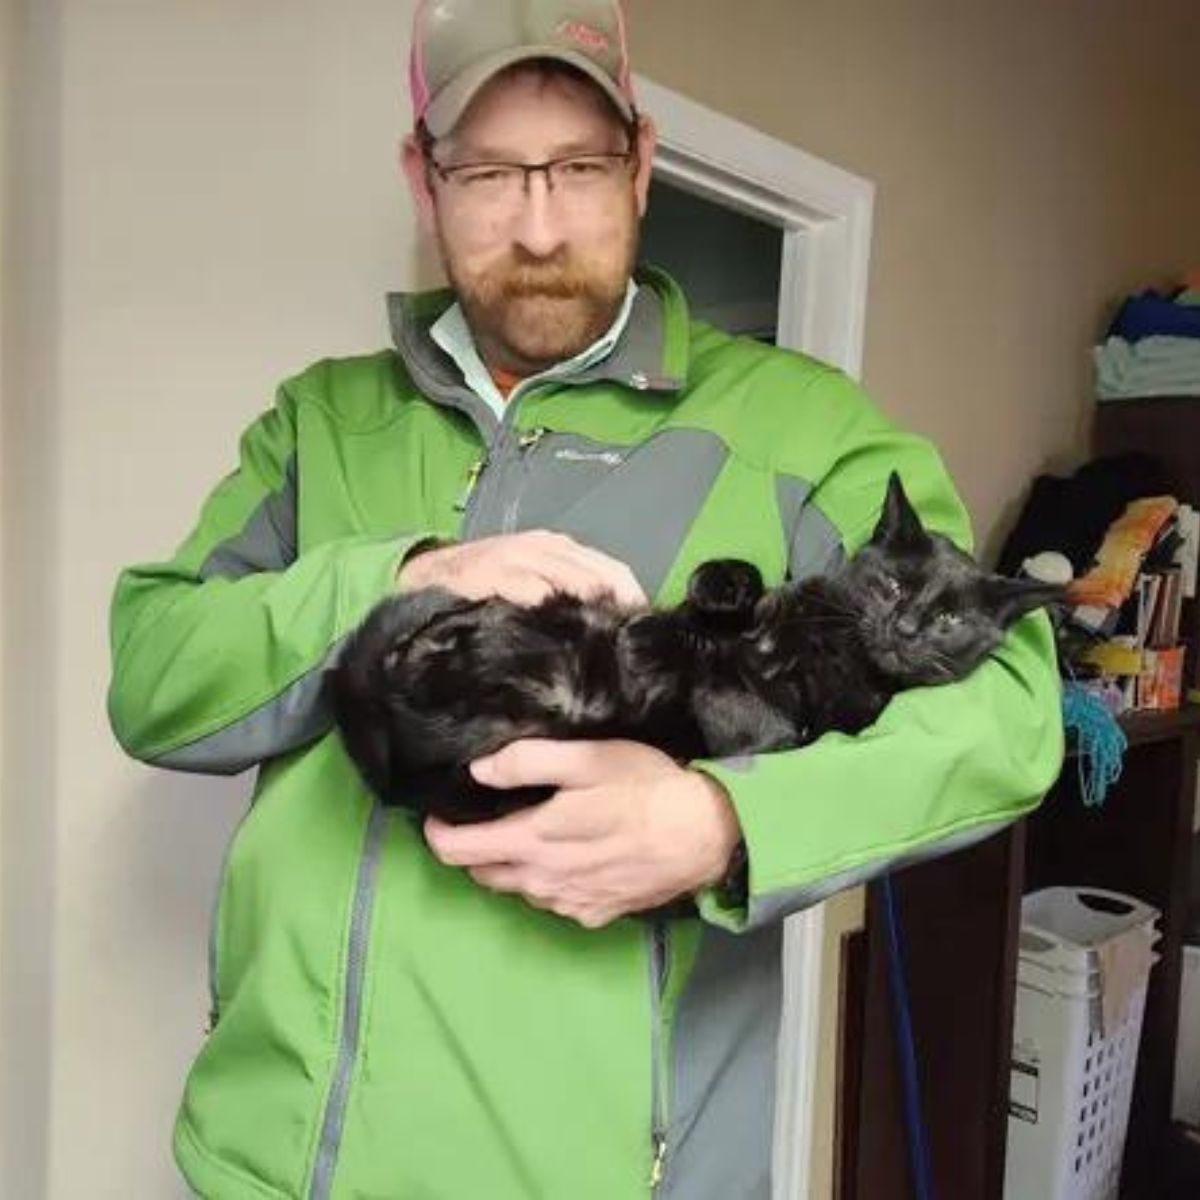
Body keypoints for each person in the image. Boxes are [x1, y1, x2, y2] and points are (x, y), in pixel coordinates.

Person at [107, 1, 1063, 1196]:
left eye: (578, 166)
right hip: (263, 1168)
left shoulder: (804, 427)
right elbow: (151, 675)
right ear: (425, 176)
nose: (541, 223)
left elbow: (1012, 717)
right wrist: (395, 580)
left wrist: (722, 825)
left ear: (644, 163)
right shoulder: (321, 422)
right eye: (494, 172)